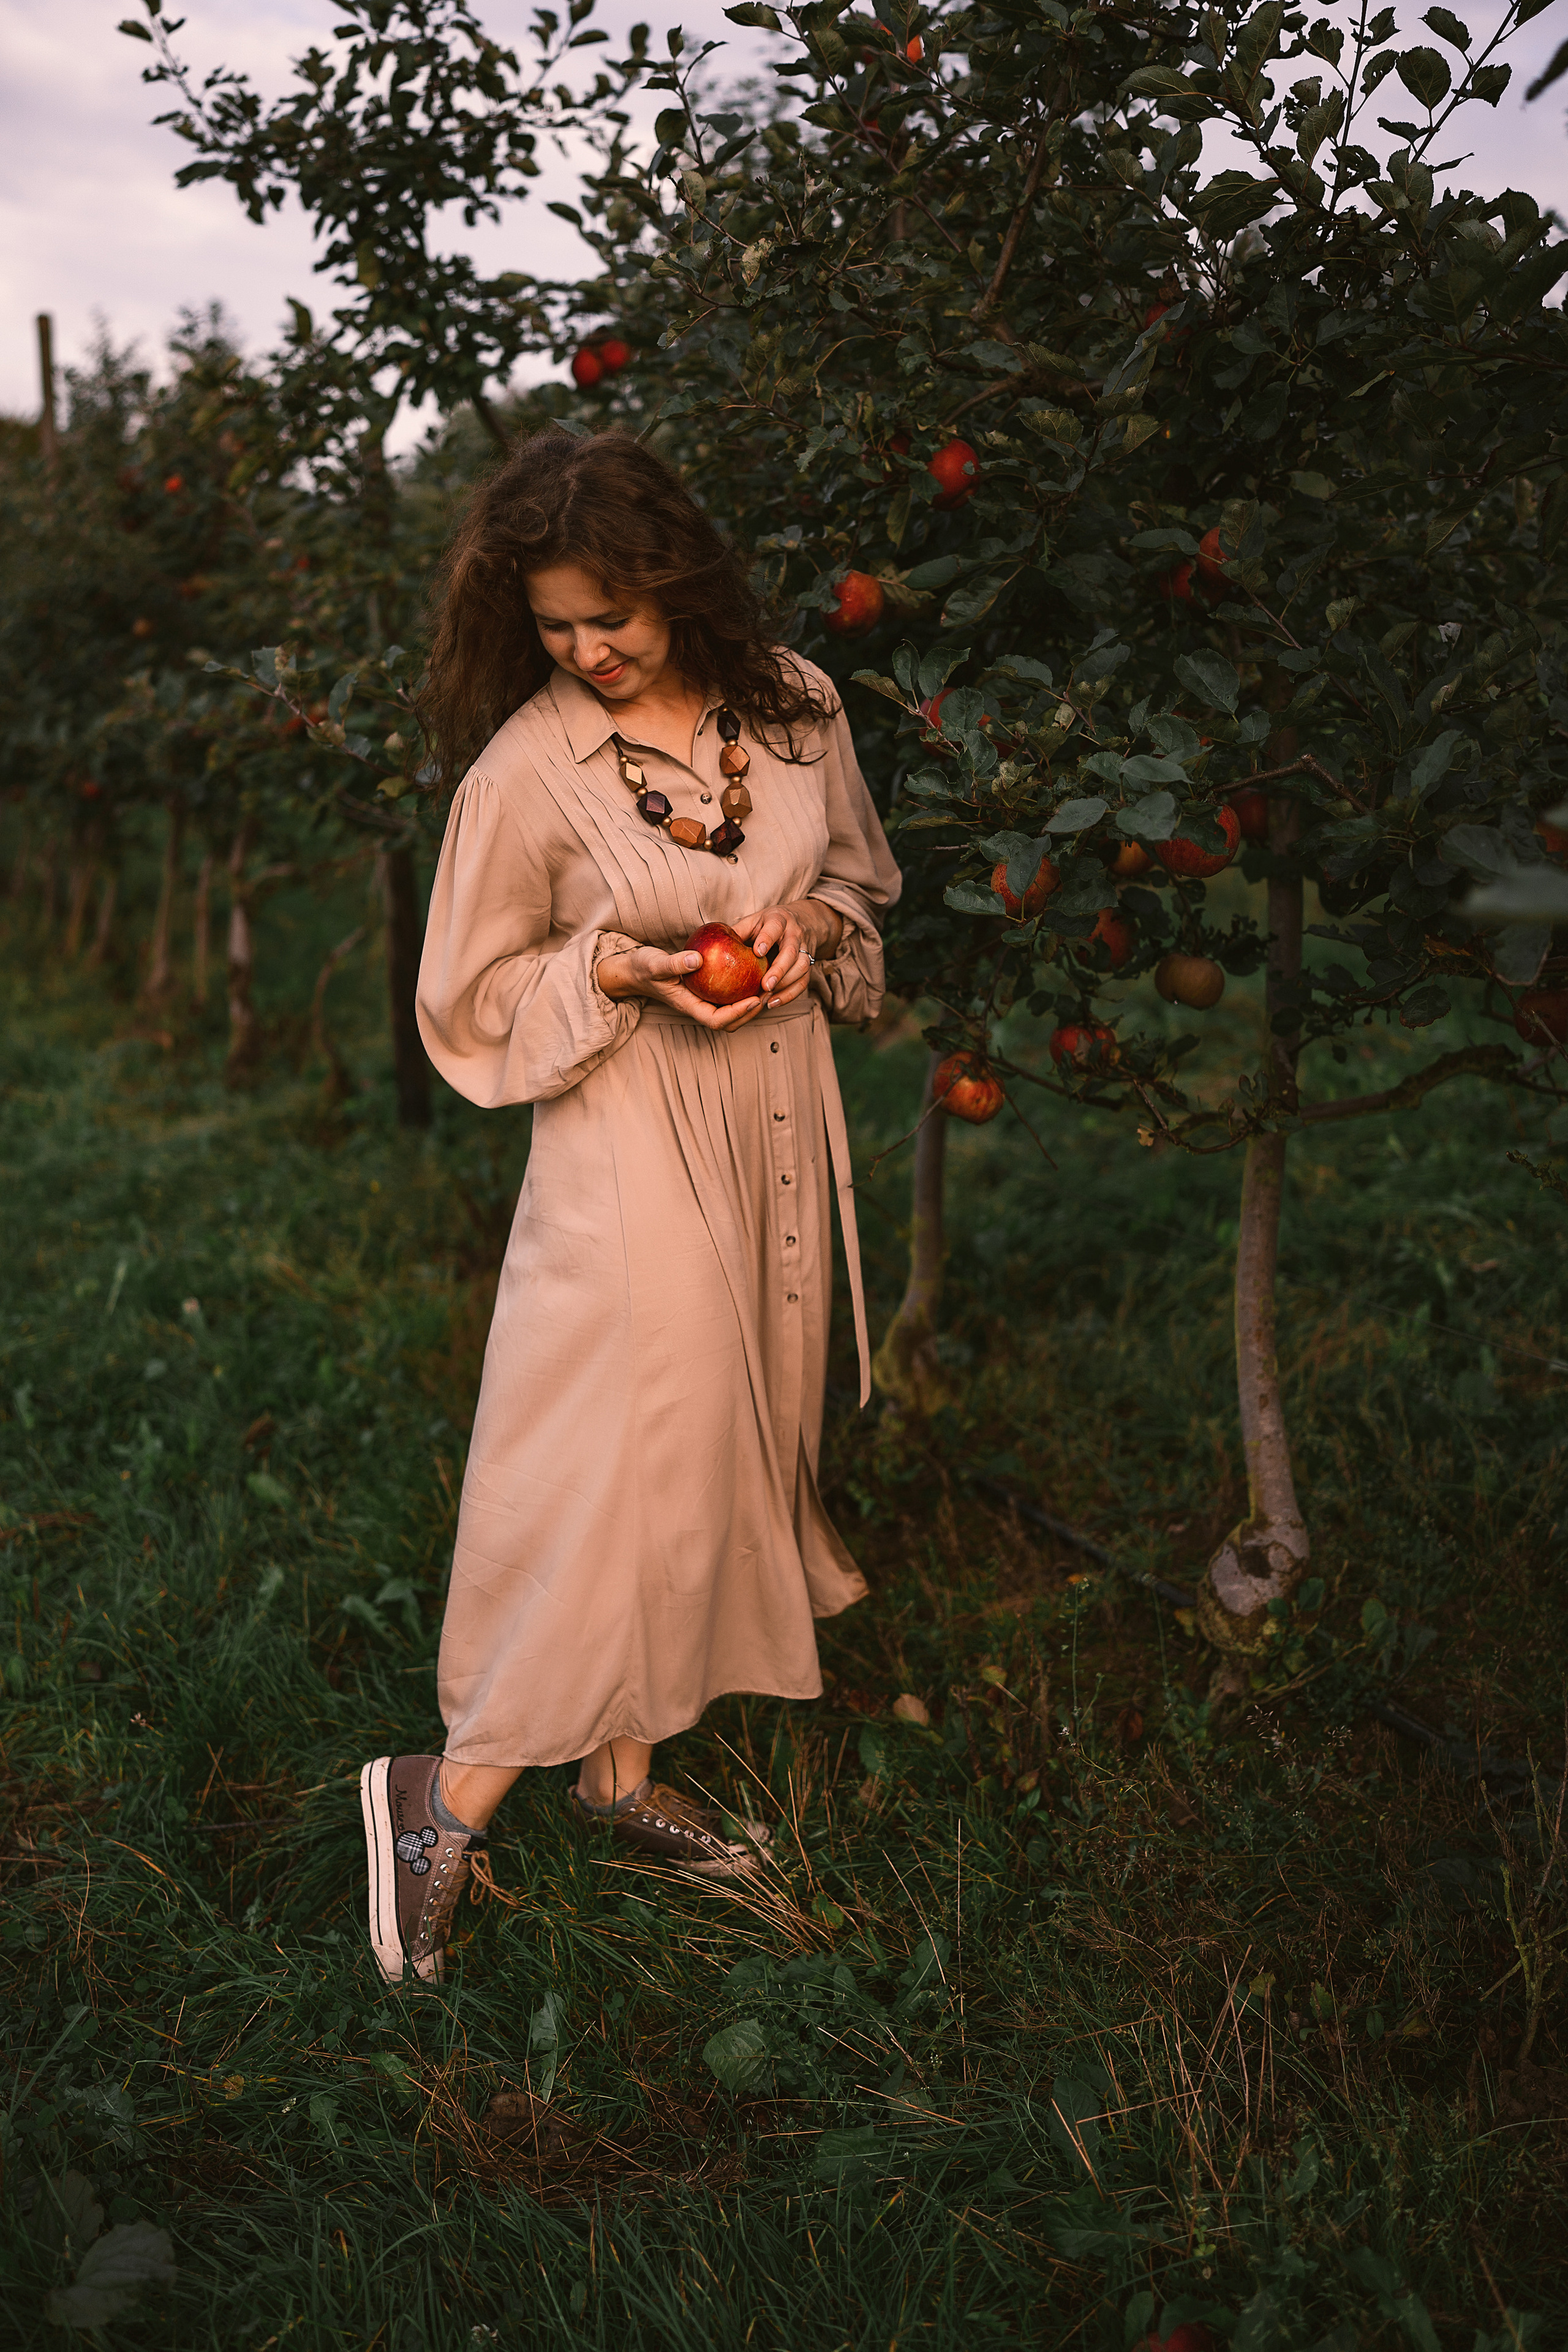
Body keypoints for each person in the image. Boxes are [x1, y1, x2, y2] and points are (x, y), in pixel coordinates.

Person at [358, 426, 902, 1986]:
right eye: (552, 624)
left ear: (678, 582)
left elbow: (860, 884)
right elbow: (462, 996)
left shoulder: (795, 708)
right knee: (611, 1448)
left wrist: (804, 922)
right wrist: (606, 963)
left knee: (730, 1430)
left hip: (776, 1113)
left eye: (614, 616)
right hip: (623, 1126)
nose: (587, 651)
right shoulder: (526, 771)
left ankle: (616, 1772)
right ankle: (444, 1797)